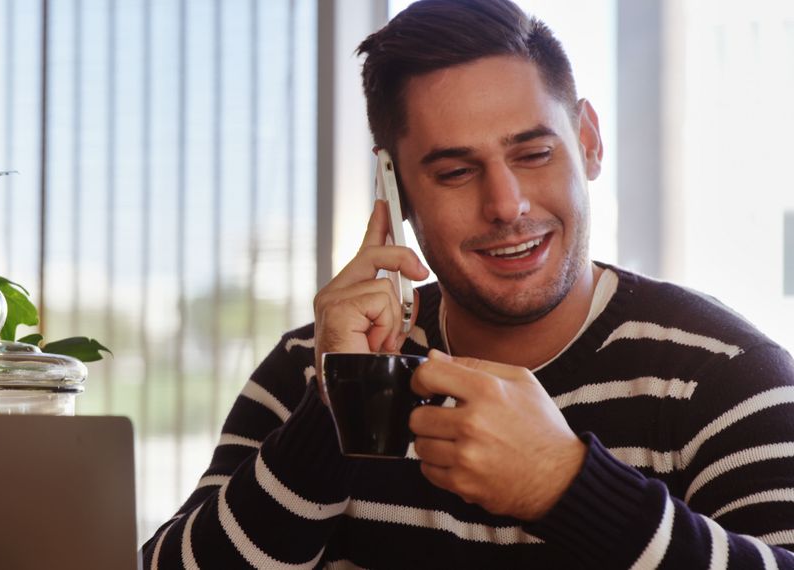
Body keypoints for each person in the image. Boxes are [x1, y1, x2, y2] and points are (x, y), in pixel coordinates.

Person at [141, 0, 794, 567]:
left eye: (533, 154)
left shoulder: (726, 377)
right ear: (393, 187)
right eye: (455, 171)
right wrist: (343, 408)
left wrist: (566, 489)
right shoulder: (308, 370)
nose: (506, 204)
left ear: (589, 141)